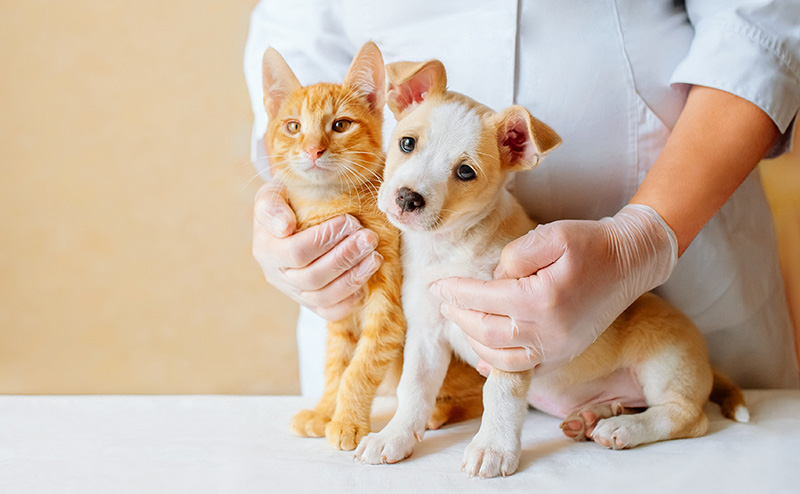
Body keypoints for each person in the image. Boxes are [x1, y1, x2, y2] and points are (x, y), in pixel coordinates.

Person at [245, 0, 800, 397]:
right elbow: (291, 67)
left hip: (685, 251)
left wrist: (645, 239)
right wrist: (291, 211)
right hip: (406, 323)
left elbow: (757, 26)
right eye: (408, 142)